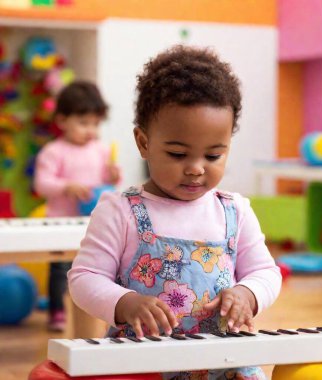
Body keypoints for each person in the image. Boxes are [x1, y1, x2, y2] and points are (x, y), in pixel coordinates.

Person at [68, 46, 281, 379]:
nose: (196, 169)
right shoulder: (120, 210)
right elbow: (84, 278)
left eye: (213, 156)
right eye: (178, 153)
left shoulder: (235, 211)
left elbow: (266, 272)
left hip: (224, 363)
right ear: (143, 143)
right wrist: (124, 303)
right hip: (142, 364)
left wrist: (247, 294)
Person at [34, 80, 121, 332]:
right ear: (62, 121)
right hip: (60, 221)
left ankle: (98, 311)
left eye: (95, 124)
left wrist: (114, 176)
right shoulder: (53, 151)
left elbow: (109, 183)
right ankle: (57, 311)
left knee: (95, 268)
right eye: (83, 123)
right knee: (60, 268)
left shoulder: (102, 150)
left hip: (92, 223)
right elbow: (42, 183)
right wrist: (66, 187)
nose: (90, 130)